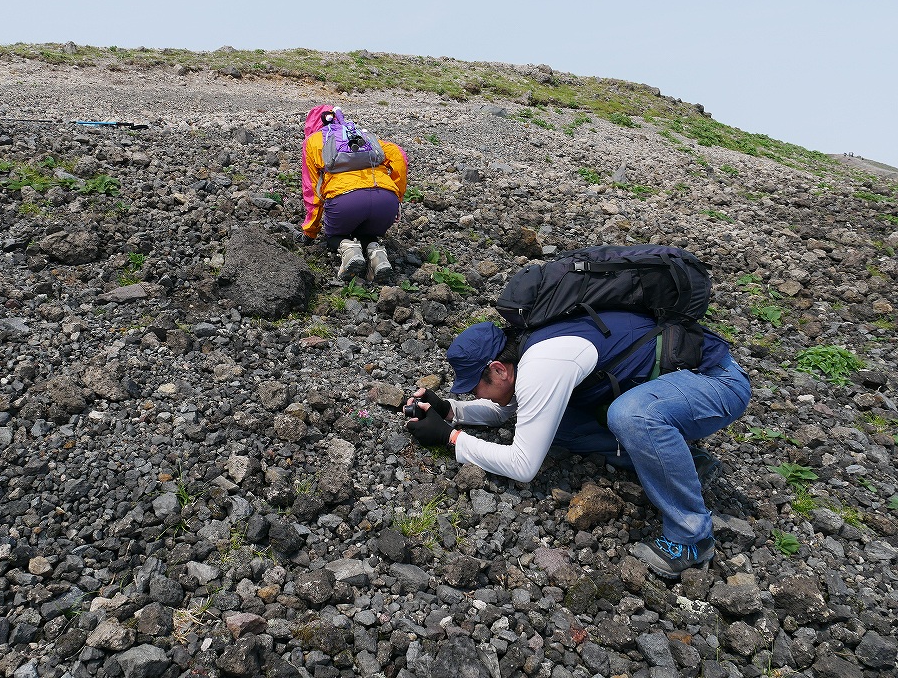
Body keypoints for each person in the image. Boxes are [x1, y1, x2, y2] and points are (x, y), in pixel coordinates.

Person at [404, 313, 751, 578]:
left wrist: (451, 438)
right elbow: (510, 410)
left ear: (498, 370)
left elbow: (523, 466)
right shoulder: (525, 349)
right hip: (677, 382)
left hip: (716, 382)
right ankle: (683, 463)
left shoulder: (543, 365)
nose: (472, 395)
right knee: (560, 425)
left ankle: (691, 538)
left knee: (631, 416)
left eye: (473, 389)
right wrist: (450, 411)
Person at [300, 105, 408, 283]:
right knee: (365, 230)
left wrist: (310, 231)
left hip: (345, 203)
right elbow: (399, 155)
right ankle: (376, 253)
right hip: (385, 201)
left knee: (335, 235)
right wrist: (397, 196)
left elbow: (311, 191)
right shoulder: (359, 135)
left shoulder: (313, 142)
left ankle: (348, 248)